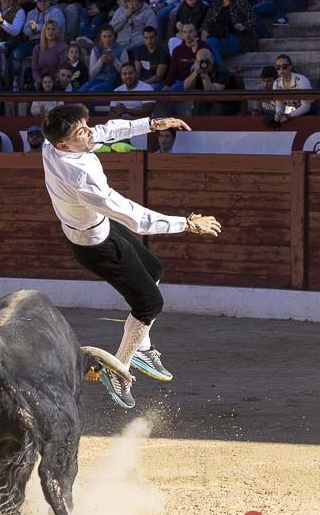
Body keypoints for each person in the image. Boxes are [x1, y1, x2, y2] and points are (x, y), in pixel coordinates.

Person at [40, 104, 220, 408]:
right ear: (63, 145)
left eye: (85, 126)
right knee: (150, 303)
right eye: (80, 132)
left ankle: (142, 348)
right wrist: (187, 224)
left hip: (99, 229)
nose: (88, 133)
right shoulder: (81, 176)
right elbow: (135, 217)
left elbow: (107, 131)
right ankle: (119, 370)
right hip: (96, 246)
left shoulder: (53, 146)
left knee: (153, 267)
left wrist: (153, 123)